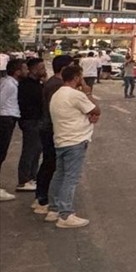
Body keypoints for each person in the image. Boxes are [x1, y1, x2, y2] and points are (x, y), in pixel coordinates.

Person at [46, 63, 100, 229]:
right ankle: (66, 214)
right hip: (75, 140)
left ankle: (53, 208)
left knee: (60, 174)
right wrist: (88, 92)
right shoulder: (76, 95)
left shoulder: (57, 94)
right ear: (77, 78)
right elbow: (96, 109)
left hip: (61, 139)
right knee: (71, 177)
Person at [33, 55, 71, 215]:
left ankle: (42, 197)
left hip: (49, 127)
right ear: (63, 69)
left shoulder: (53, 83)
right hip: (51, 128)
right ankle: (43, 199)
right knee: (51, 164)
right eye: (71, 66)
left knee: (49, 163)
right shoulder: (57, 85)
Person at [15, 57, 47, 192]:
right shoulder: (26, 85)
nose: (44, 71)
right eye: (42, 68)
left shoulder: (37, 84)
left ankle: (32, 177)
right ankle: (23, 180)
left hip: (37, 120)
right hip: (30, 120)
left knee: (36, 150)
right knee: (29, 150)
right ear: (33, 69)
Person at [0, 59, 26, 201]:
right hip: (5, 119)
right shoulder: (9, 84)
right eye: (25, 69)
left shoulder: (11, 83)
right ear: (17, 72)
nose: (27, 71)